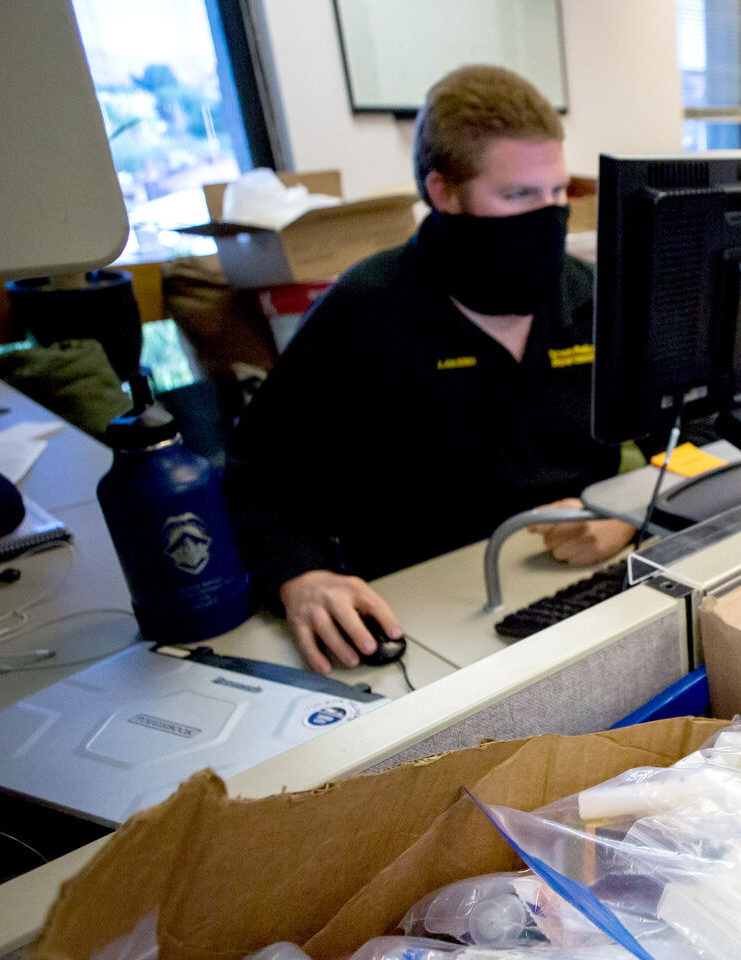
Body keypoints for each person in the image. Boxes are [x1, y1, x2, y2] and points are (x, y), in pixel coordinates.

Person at [224, 65, 635, 674]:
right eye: (520, 196)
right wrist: (300, 576)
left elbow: (690, 436)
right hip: (430, 614)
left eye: (557, 194)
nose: (548, 217)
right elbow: (260, 479)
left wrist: (628, 511)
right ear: (444, 193)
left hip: (590, 587)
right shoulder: (366, 312)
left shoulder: (591, 298)